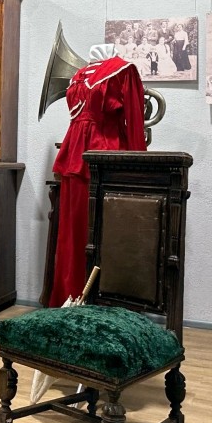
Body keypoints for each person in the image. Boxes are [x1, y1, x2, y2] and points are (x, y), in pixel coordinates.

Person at [49, 44, 146, 307]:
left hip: (103, 153)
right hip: (80, 150)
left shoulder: (123, 70)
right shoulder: (80, 75)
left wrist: (138, 163)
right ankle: (72, 294)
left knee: (105, 229)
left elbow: (134, 118)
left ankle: (101, 299)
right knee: (74, 227)